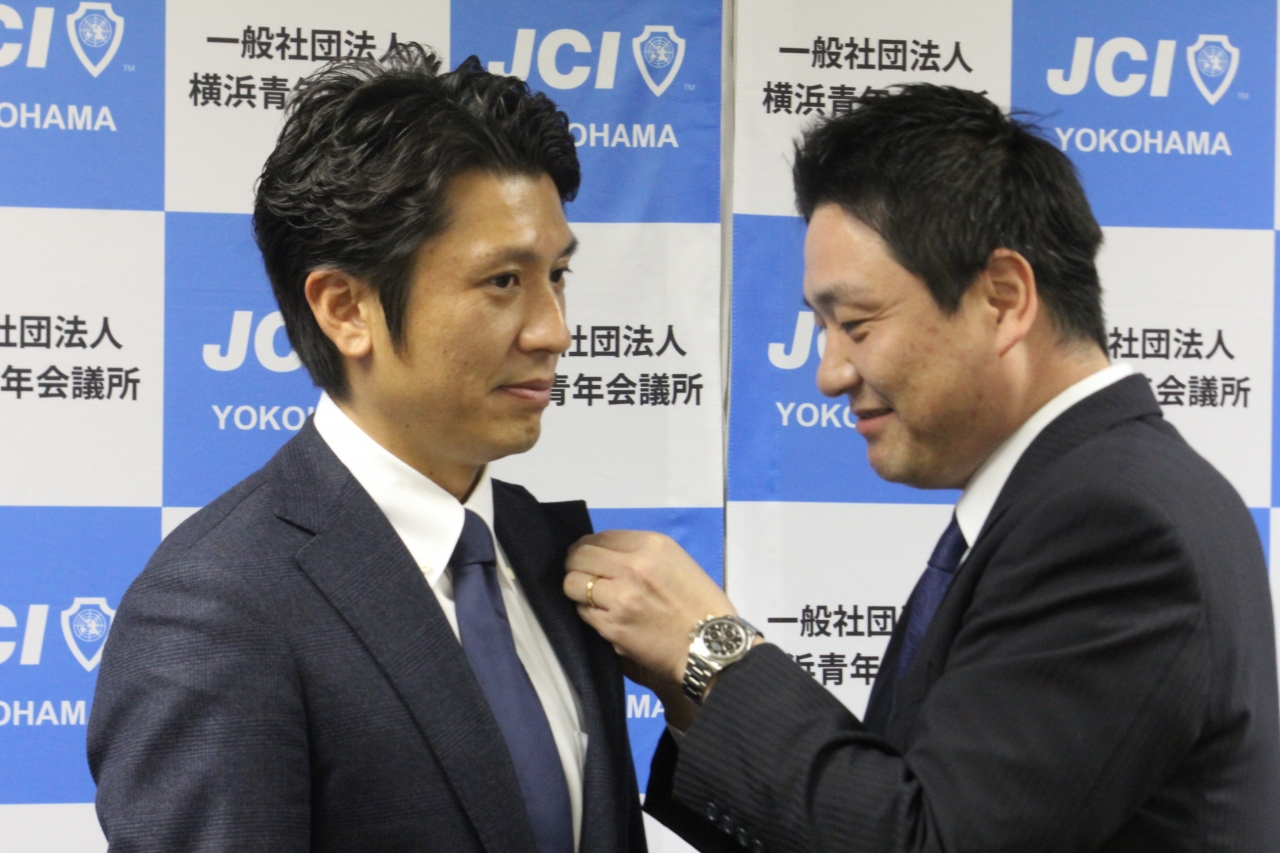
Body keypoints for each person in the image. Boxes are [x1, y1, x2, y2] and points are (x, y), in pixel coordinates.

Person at [564, 84, 1280, 852]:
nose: (829, 373)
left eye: (857, 324)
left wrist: (711, 651)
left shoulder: (1114, 525)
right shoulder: (1078, 496)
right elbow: (916, 797)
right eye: (821, 327)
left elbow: (926, 839)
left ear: (1003, 297)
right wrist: (694, 692)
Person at [88, 45, 645, 853]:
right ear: (345, 308)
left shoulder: (548, 550)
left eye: (557, 275)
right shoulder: (217, 610)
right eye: (504, 281)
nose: (554, 331)